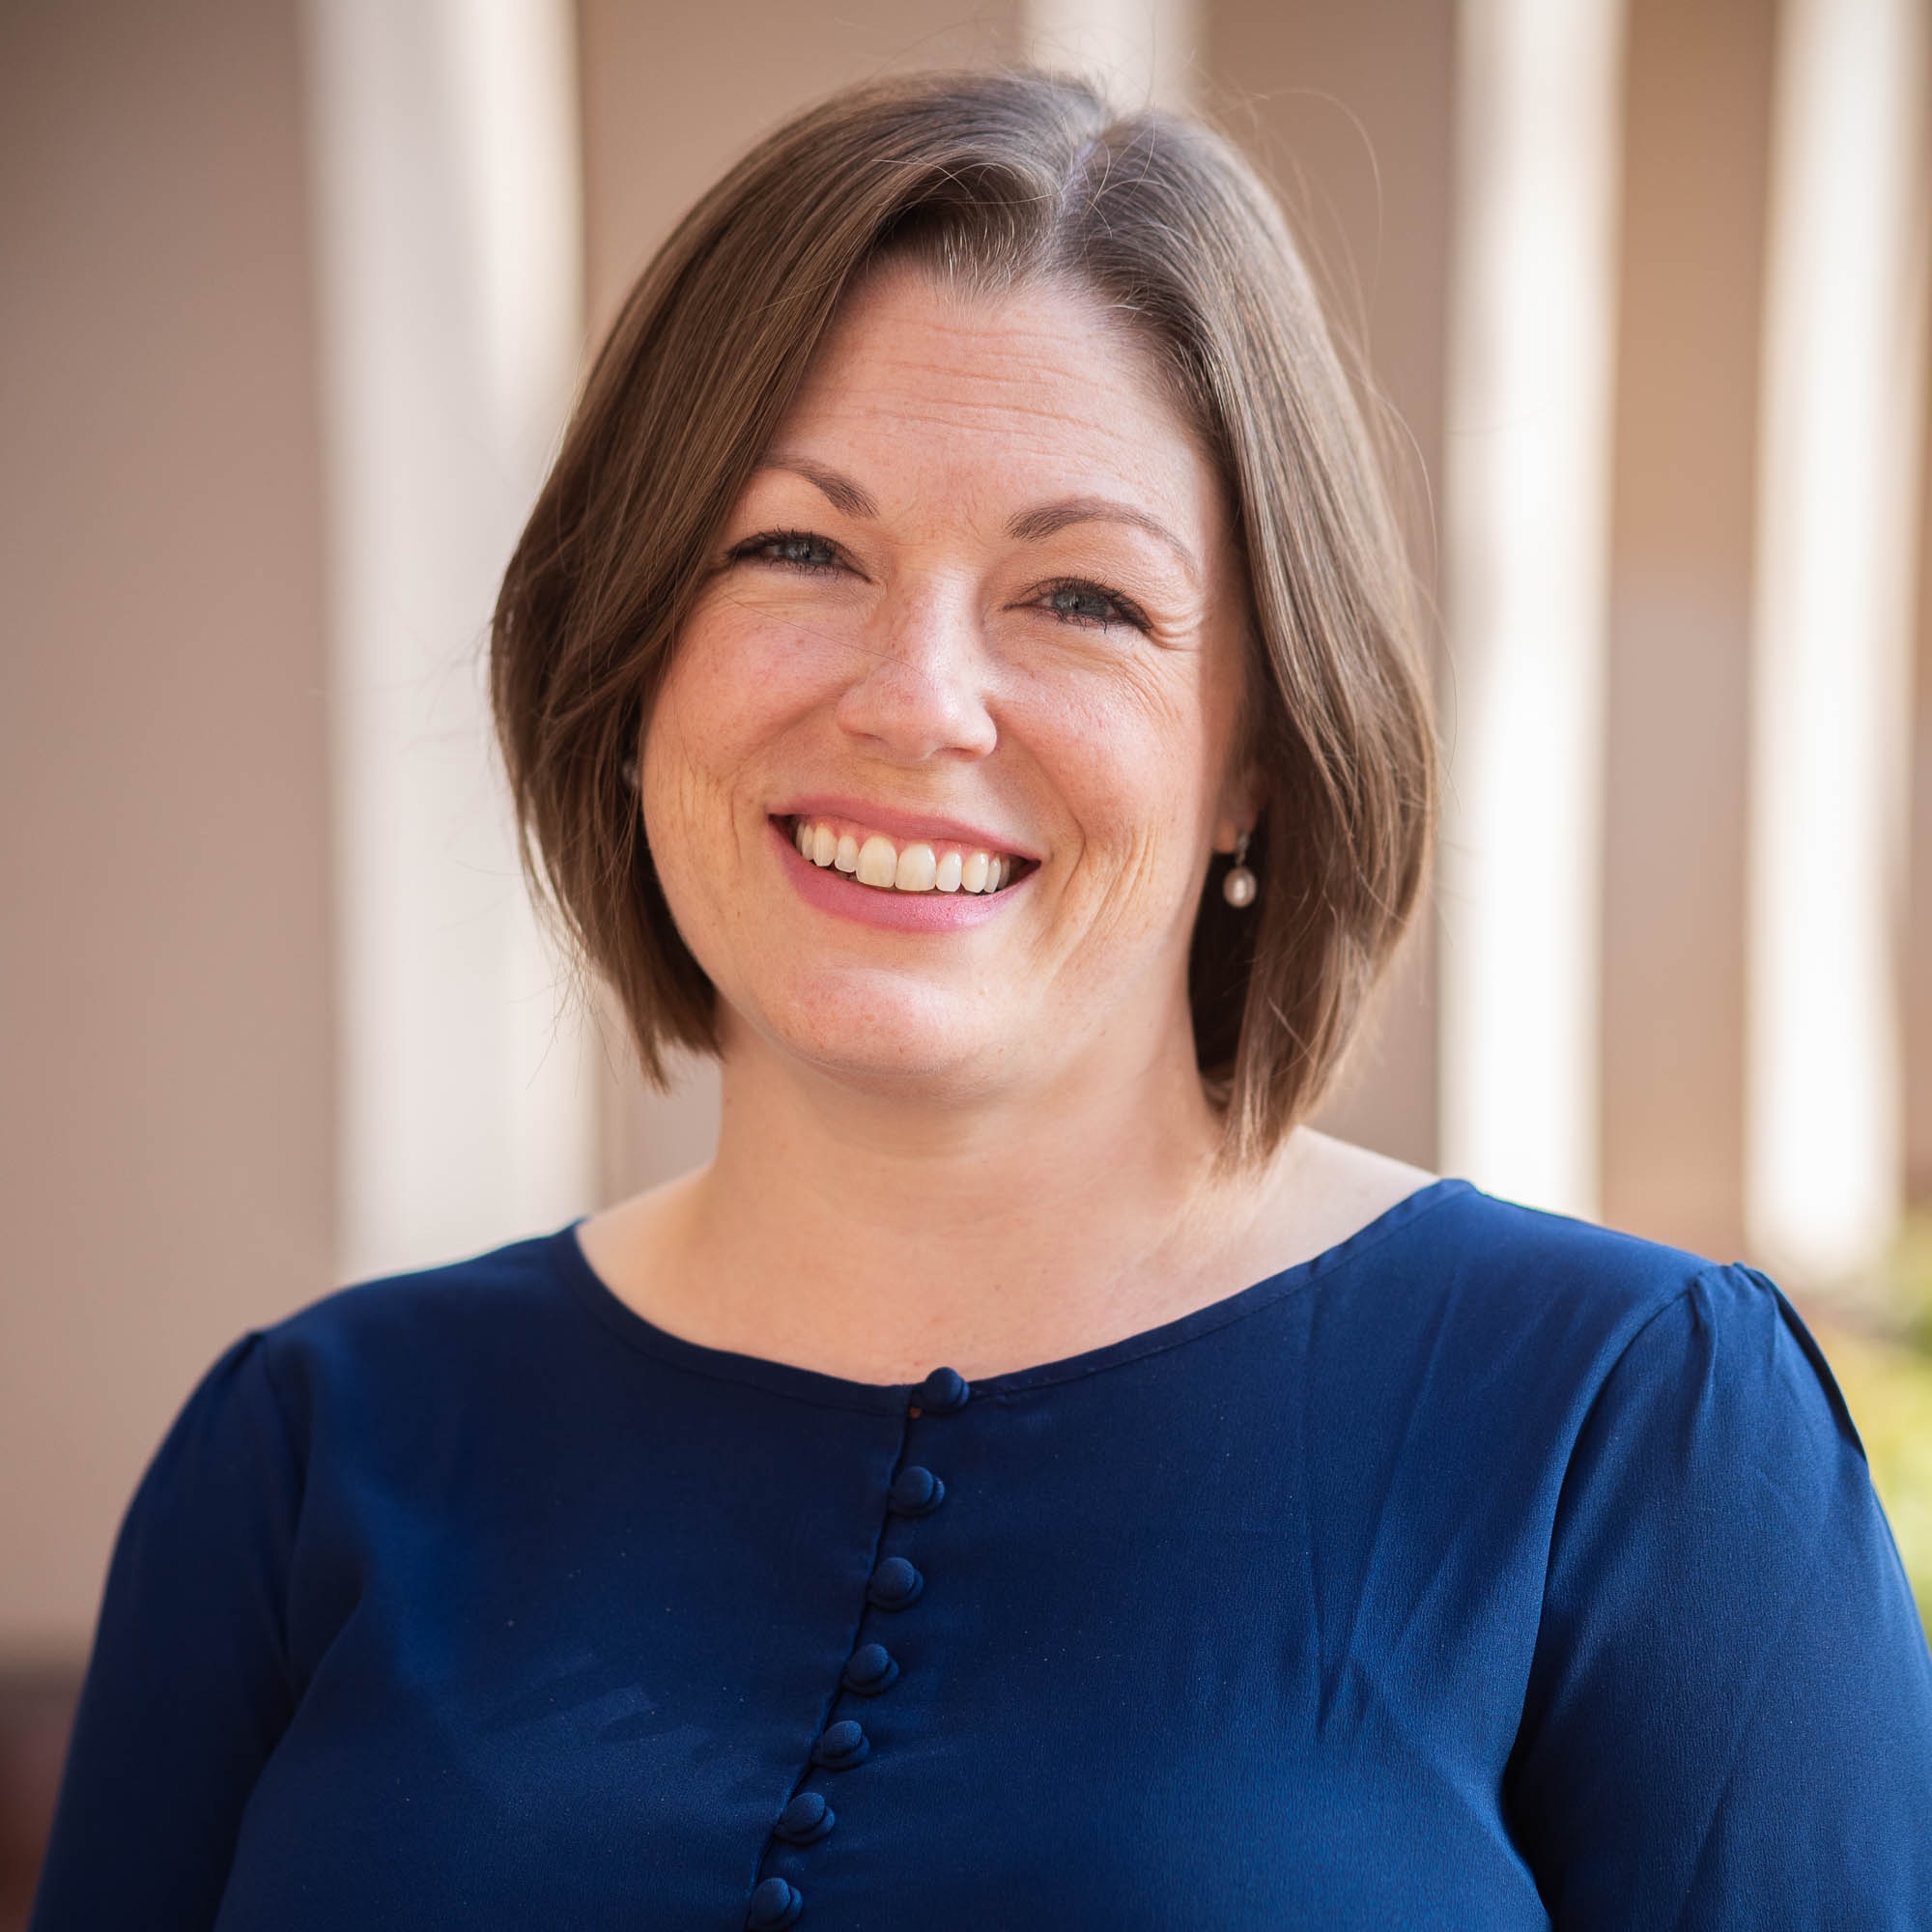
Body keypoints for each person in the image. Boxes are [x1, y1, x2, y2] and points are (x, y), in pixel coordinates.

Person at [30, 70, 1932, 1932]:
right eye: (795, 550)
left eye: (1082, 597)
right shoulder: (304, 1453)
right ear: (628, 661)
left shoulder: (1633, 1433)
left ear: (1257, 754)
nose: (915, 700)